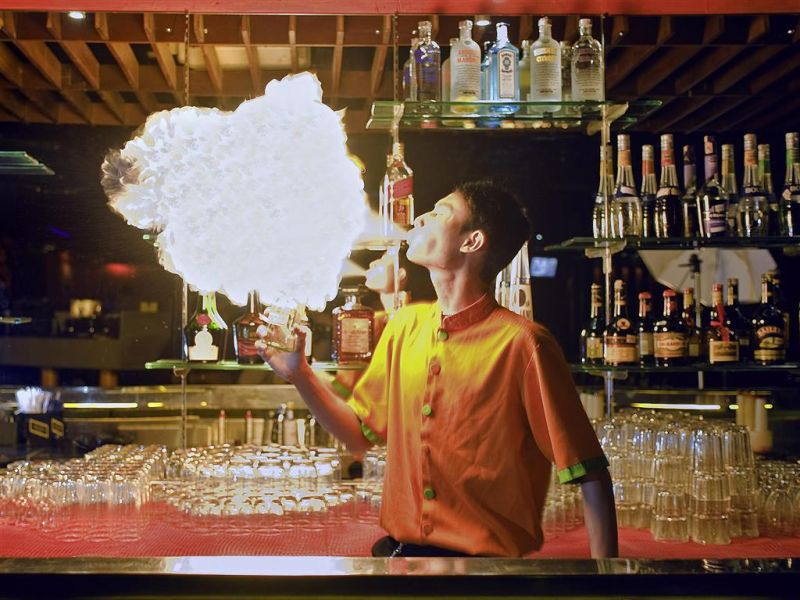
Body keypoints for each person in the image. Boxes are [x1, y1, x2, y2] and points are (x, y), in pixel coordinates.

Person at [258, 179, 618, 558]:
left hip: (486, 573)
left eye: (440, 213)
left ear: (472, 241)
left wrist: (607, 581)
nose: (420, 218)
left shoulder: (524, 344)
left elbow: (590, 472)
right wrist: (300, 374)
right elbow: (358, 436)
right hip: (399, 558)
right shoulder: (404, 325)